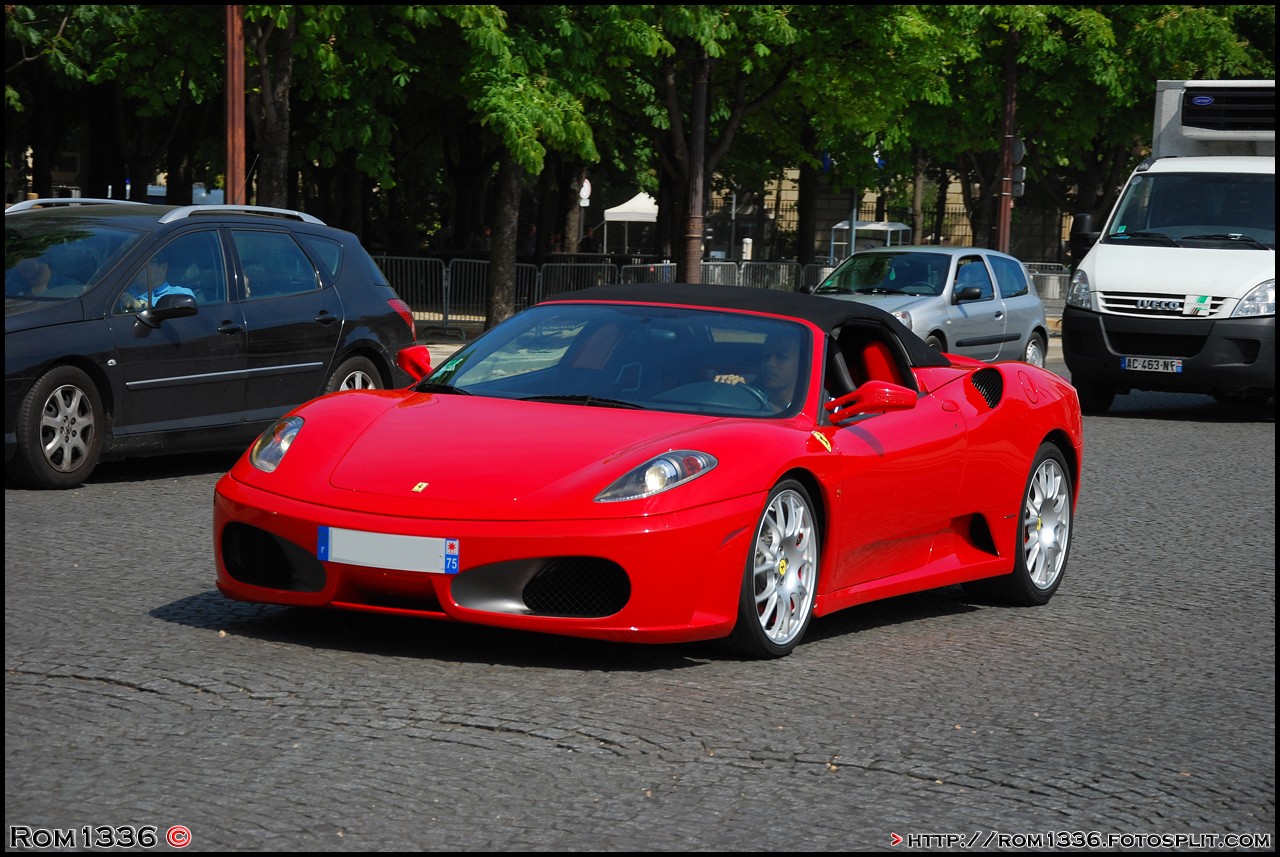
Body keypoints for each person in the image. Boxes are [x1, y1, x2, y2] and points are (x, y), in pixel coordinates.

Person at [714, 331, 802, 411]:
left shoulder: (809, 407)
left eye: (782, 357)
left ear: (800, 363)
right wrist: (735, 389)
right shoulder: (752, 395)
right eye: (766, 356)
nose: (770, 363)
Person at [119, 252, 196, 312]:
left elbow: (174, 320)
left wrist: (140, 306)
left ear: (163, 268)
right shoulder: (119, 292)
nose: (137, 268)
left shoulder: (179, 294)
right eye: (134, 264)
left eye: (144, 263)